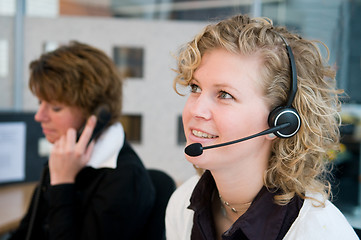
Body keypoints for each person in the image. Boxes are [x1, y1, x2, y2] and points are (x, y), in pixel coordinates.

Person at [165, 14, 358, 240]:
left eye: (225, 95)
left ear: (282, 122)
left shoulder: (319, 232)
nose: (196, 110)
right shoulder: (183, 204)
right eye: (196, 88)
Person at [8, 41, 155, 240]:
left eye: (55, 108)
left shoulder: (125, 179)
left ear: (96, 112)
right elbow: (27, 232)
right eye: (40, 103)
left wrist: (62, 183)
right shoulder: (65, 157)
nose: (39, 116)